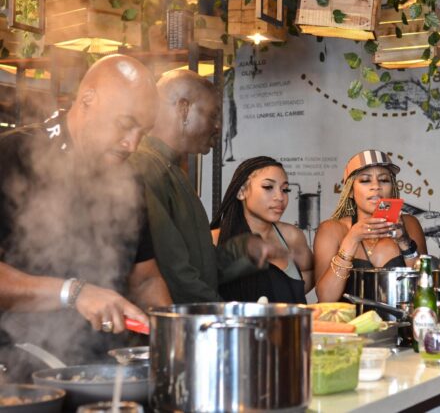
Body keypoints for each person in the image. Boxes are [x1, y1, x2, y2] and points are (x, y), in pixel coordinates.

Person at [0, 55, 171, 377]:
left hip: (105, 368)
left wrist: (174, 337)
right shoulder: (11, 157)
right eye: (125, 124)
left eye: (143, 132)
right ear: (88, 100)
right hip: (19, 367)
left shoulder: (128, 183)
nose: (132, 144)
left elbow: (145, 278)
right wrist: (73, 293)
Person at [129, 70, 286, 304]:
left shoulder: (173, 171)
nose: (218, 127)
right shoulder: (146, 168)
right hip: (171, 327)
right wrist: (222, 315)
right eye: (213, 115)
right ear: (183, 109)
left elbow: (201, 265)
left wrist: (246, 251)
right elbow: (174, 272)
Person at [313, 150, 427, 302]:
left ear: (392, 188)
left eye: (384, 180)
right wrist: (351, 240)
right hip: (350, 325)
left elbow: (425, 290)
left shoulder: (410, 223)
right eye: (365, 180)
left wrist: (405, 242)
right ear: (351, 191)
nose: (376, 186)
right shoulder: (331, 229)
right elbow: (325, 298)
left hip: (401, 324)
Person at [210, 157, 314, 303]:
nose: (280, 197)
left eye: (285, 189)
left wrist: (283, 295)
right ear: (241, 192)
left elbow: (309, 272)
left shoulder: (292, 236)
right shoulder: (215, 239)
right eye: (268, 187)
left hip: (288, 324)